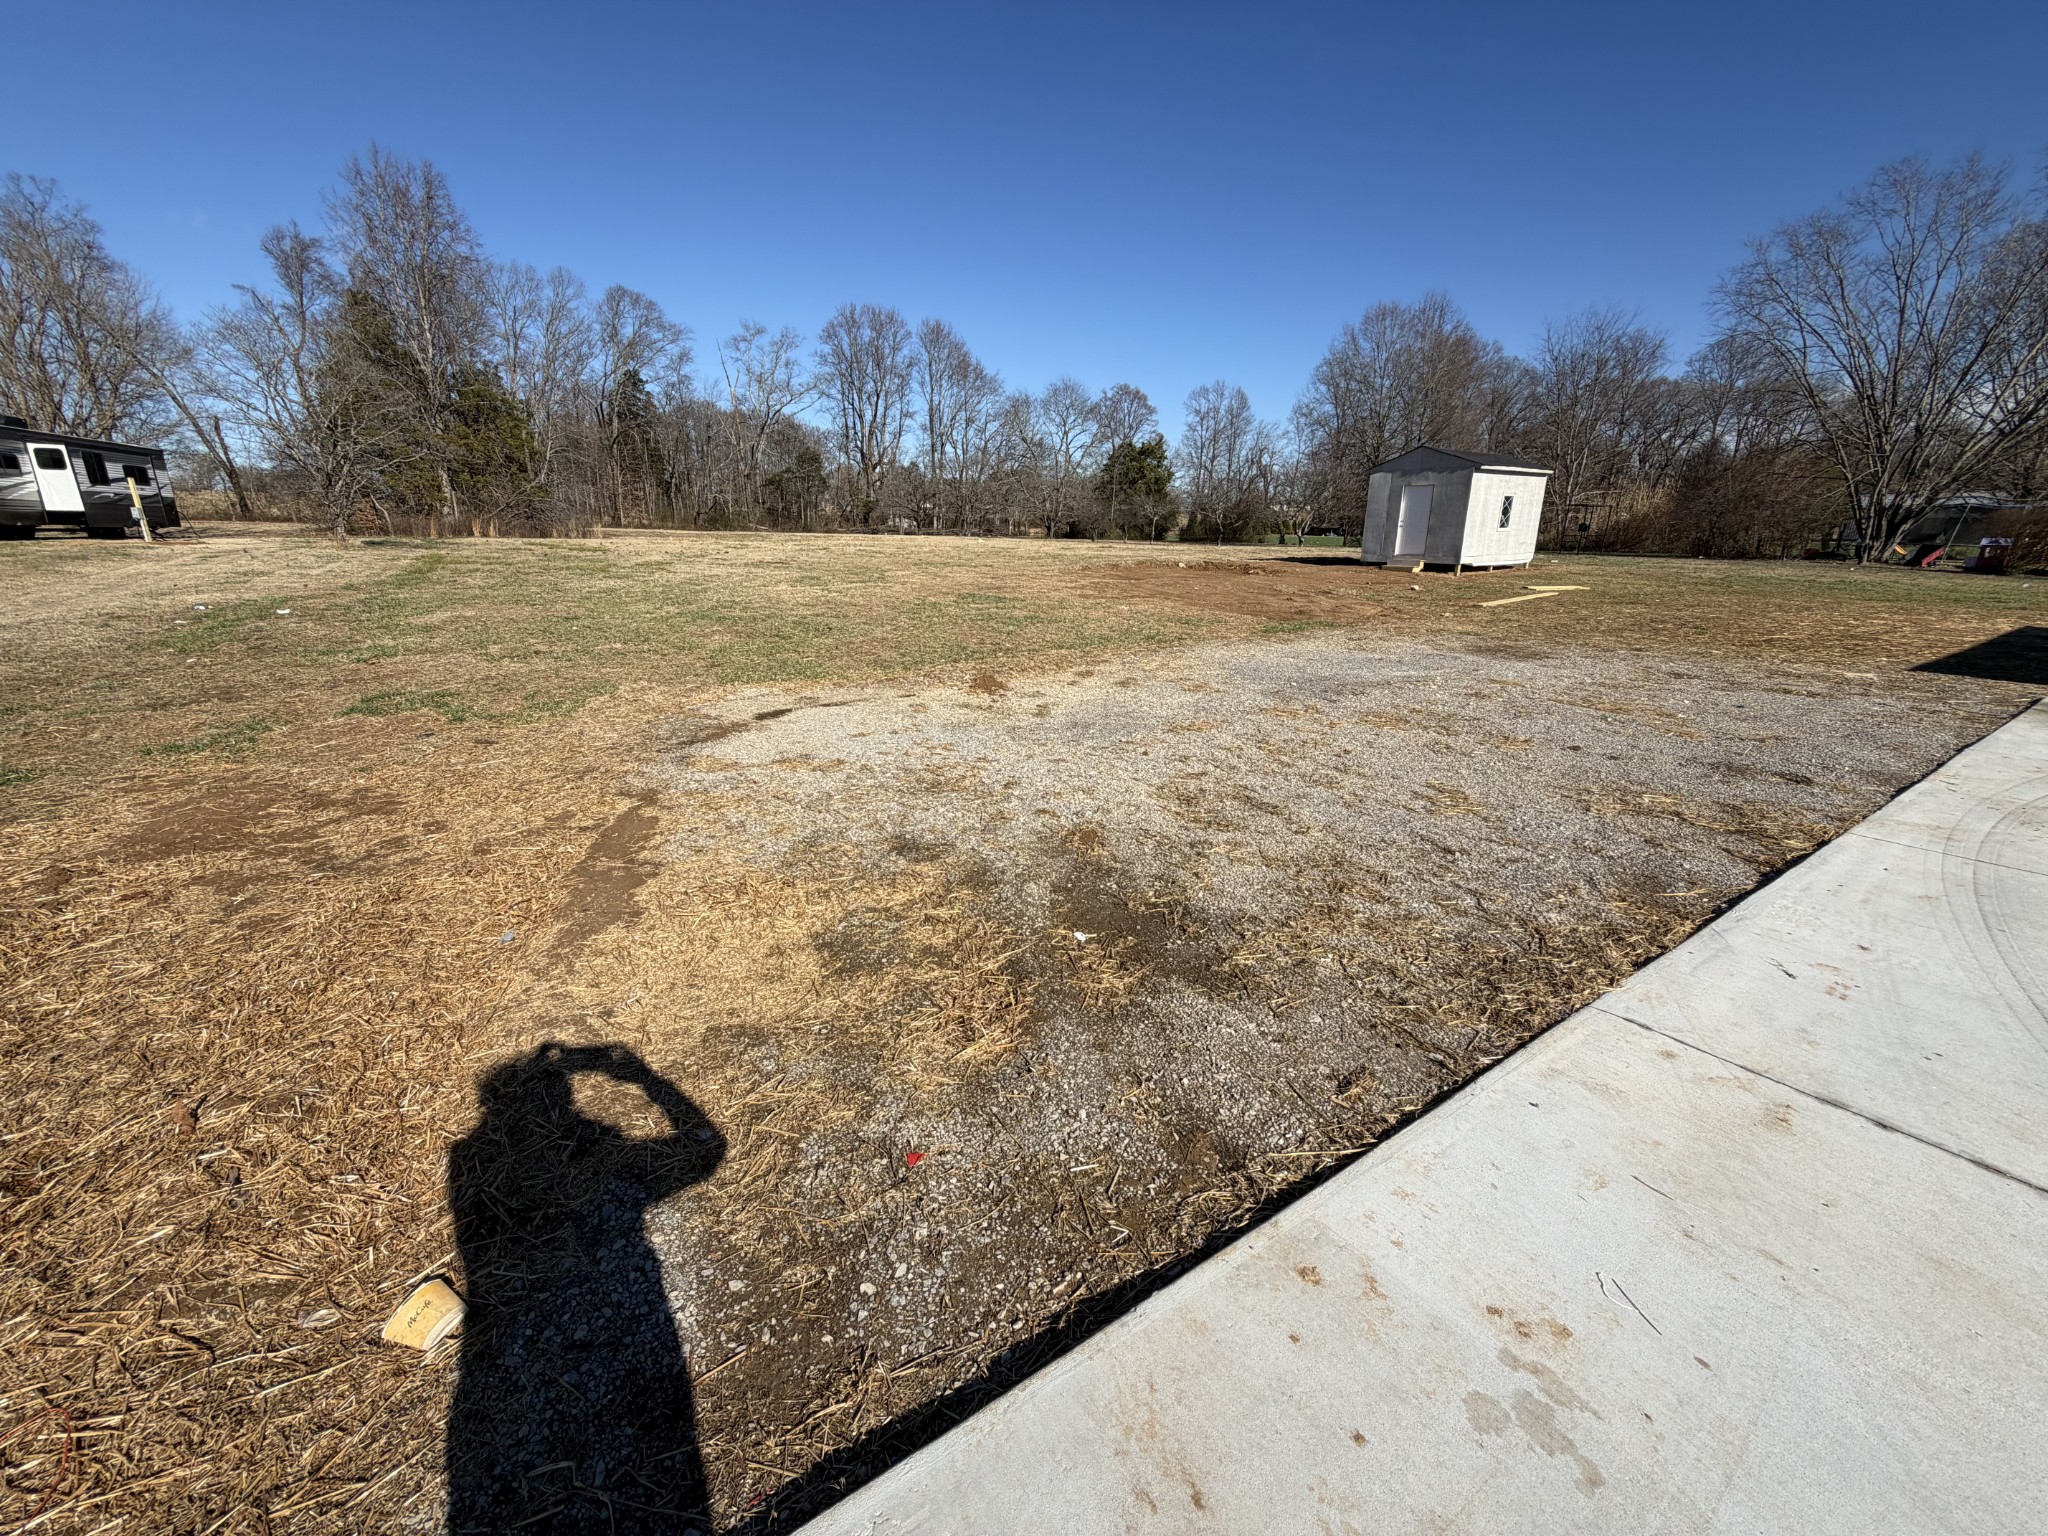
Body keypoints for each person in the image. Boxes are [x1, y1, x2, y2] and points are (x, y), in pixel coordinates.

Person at [445, 1042, 726, 1534]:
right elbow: (704, 1151)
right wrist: (645, 1080)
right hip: (588, 1336)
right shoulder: (503, 1155)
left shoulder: (470, 1156)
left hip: (513, 1368)